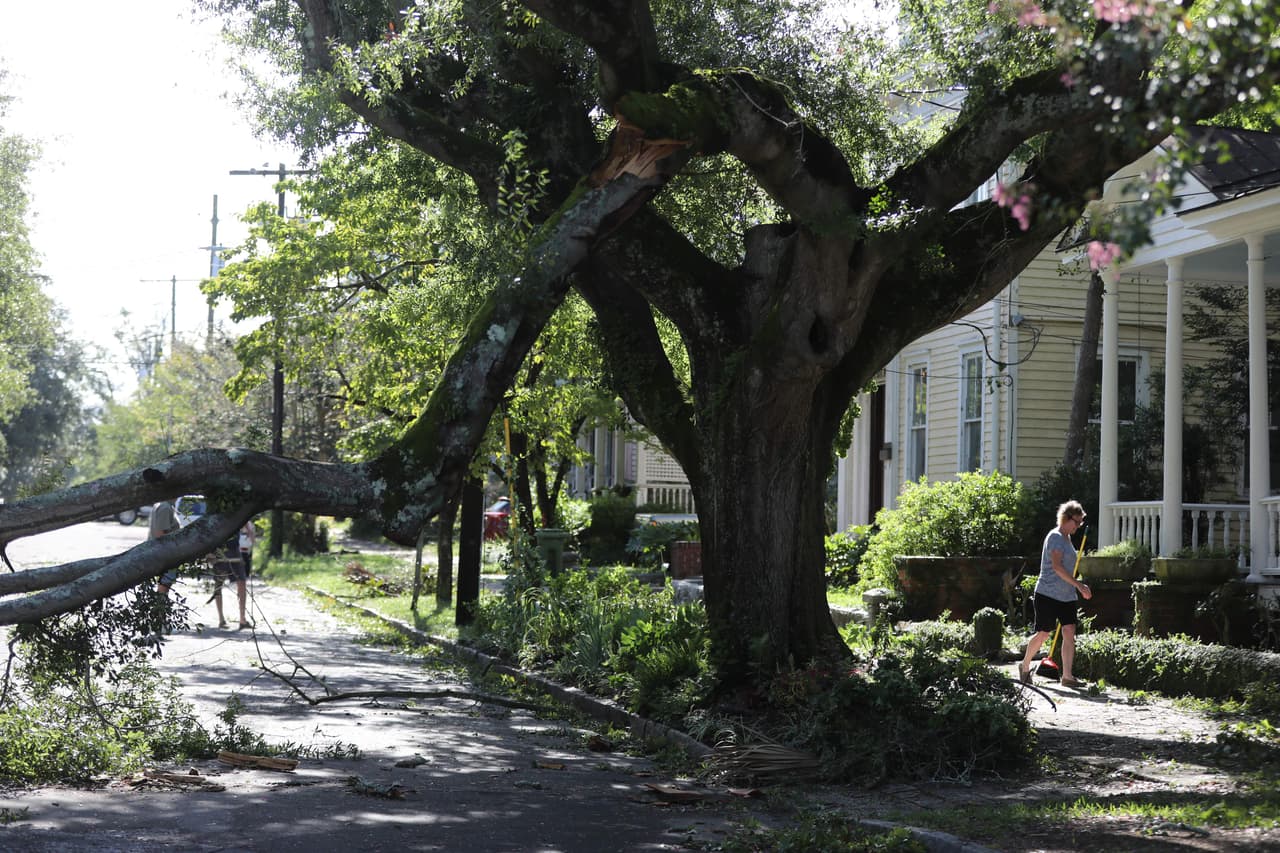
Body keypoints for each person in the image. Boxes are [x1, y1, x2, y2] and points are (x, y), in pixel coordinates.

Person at [1018, 500, 1092, 688]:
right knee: (1043, 633)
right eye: (1077, 522)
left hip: (1066, 596)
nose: (1078, 526)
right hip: (1048, 594)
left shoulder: (1067, 539)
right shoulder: (1056, 537)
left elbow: (1067, 568)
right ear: (1066, 518)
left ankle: (1067, 676)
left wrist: (1076, 585)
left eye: (1080, 523)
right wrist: (1079, 585)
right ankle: (1025, 666)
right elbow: (1057, 567)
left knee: (1069, 632)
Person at [209, 537, 252, 630]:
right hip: (219, 551)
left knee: (242, 583)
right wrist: (209, 553)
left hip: (235, 550)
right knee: (218, 584)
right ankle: (221, 619)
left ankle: (242, 619)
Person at [149, 500, 181, 598]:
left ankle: (159, 610)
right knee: (164, 586)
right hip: (166, 555)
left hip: (165, 553)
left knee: (165, 586)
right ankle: (158, 611)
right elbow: (161, 535)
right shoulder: (165, 507)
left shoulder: (164, 505)